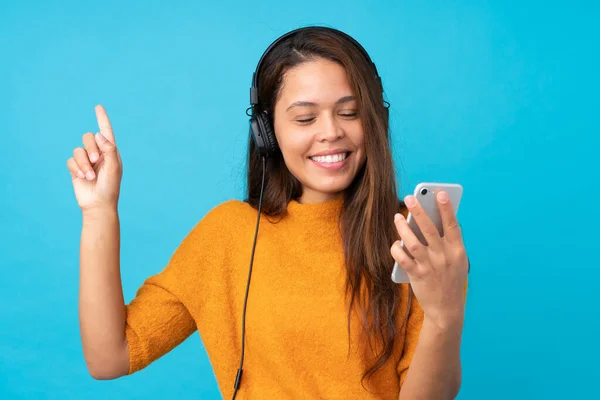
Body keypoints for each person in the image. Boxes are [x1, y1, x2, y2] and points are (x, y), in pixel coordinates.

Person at [66, 26, 469, 400]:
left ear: (375, 119)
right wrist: (99, 212)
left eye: (349, 112)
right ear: (267, 131)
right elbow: (110, 358)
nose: (330, 131)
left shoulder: (413, 239)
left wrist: (443, 315)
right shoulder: (227, 236)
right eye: (305, 118)